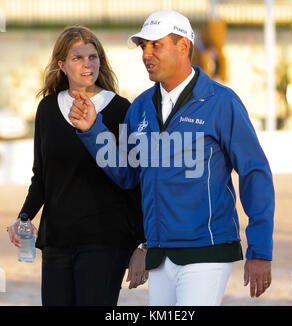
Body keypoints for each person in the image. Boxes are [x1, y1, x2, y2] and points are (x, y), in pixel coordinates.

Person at [69, 10, 275, 306]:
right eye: (143, 47)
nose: (146, 54)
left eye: (156, 45)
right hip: (160, 254)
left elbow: (254, 172)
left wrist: (260, 249)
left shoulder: (222, 102)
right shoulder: (139, 107)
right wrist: (92, 130)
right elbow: (128, 175)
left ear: (183, 47)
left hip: (207, 250)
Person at [7, 26, 147, 306]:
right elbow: (41, 176)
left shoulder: (120, 109)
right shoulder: (47, 109)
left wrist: (141, 245)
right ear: (62, 65)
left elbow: (135, 181)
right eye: (78, 58)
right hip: (57, 239)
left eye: (93, 57)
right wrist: (24, 216)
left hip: (105, 240)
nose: (88, 64)